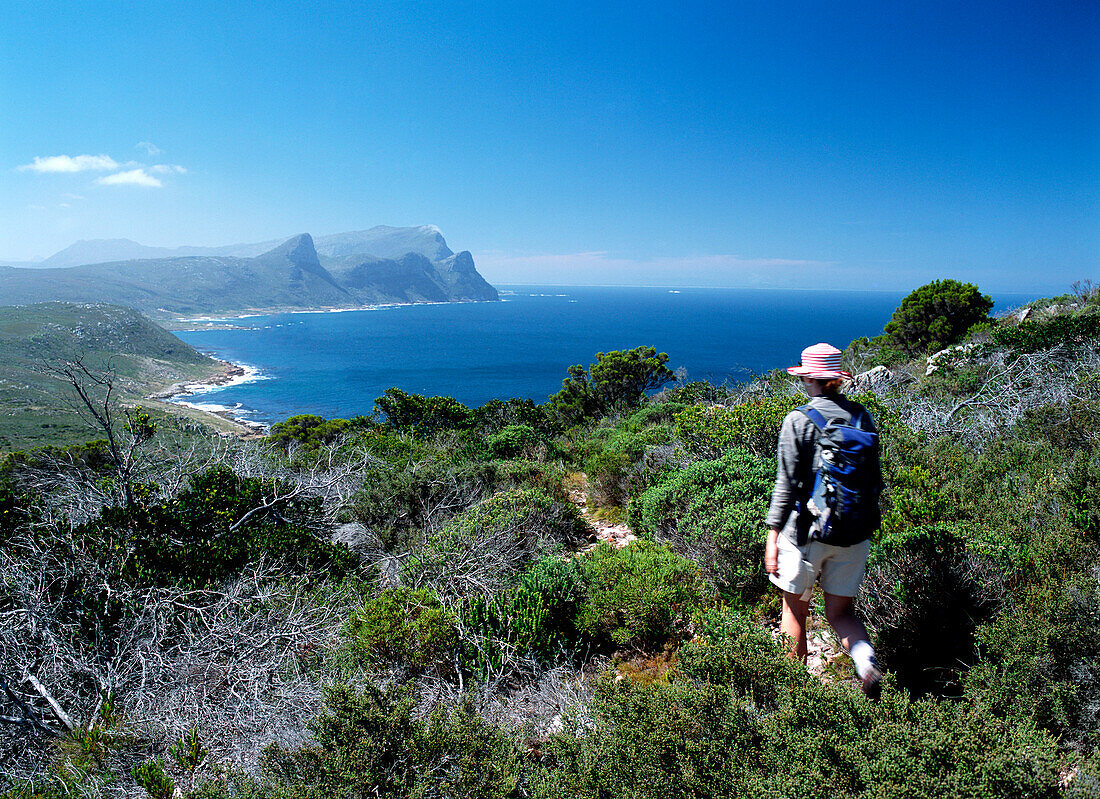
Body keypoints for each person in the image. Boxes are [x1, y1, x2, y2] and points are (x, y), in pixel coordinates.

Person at [764, 342, 883, 696]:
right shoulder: (862, 417)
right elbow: (874, 480)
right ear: (837, 379)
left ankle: (795, 697)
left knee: (795, 611)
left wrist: (772, 539)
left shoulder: (798, 420)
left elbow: (785, 486)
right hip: (853, 533)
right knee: (841, 615)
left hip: (805, 535)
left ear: (809, 378)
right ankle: (865, 660)